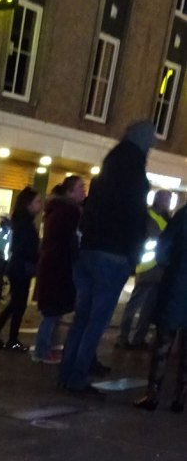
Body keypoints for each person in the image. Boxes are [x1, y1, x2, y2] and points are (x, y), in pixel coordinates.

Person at [58, 121, 154, 396]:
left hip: (90, 250)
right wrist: (133, 254)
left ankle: (67, 374)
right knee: (96, 321)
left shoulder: (109, 168)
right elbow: (135, 218)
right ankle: (77, 377)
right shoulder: (135, 175)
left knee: (82, 317)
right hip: (114, 254)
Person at [135, 203, 187, 413]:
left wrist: (169, 265)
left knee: (163, 342)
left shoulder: (183, 215)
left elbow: (164, 246)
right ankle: (180, 398)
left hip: (177, 283)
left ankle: (153, 395)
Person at [31, 176, 85, 363]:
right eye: (80, 187)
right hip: (58, 268)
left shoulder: (58, 210)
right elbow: (71, 242)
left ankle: (46, 349)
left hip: (54, 267)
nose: (83, 191)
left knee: (53, 312)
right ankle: (42, 351)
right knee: (52, 313)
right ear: (70, 191)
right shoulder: (69, 212)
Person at [0, 187, 42, 353]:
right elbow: (24, 247)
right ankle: (11, 339)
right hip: (21, 268)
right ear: (28, 204)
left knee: (15, 304)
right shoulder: (25, 224)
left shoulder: (21, 221)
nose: (40, 205)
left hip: (18, 267)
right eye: (37, 201)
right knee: (18, 305)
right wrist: (37, 254)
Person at [117, 189, 172, 350]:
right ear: (159, 200)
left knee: (147, 306)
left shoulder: (162, 217)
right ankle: (124, 338)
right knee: (137, 304)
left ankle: (136, 339)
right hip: (149, 266)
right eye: (167, 199)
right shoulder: (152, 217)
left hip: (157, 267)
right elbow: (158, 238)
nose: (168, 203)